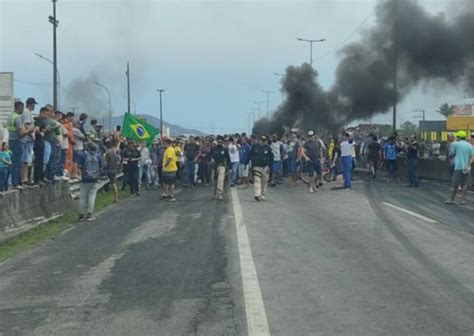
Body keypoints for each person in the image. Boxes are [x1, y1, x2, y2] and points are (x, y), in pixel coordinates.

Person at [444, 131, 474, 205]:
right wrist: (468, 164)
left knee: (454, 184)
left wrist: (448, 157)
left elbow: (452, 154)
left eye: (457, 136)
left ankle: (451, 199)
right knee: (465, 184)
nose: (456, 137)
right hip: (467, 167)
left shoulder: (455, 144)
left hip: (458, 167)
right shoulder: (470, 145)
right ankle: (463, 200)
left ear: (460, 137)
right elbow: (472, 157)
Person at [77, 142, 102, 221]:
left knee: (83, 197)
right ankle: (89, 214)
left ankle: (81, 215)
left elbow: (79, 166)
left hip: (85, 179)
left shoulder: (83, 155)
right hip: (95, 179)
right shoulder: (98, 156)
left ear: (87, 148)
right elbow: (101, 166)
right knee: (92, 197)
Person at [7, 101, 29, 190]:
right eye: (22, 108)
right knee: (17, 164)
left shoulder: (10, 116)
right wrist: (29, 130)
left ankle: (16, 182)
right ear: (19, 108)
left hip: (11, 140)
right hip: (17, 142)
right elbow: (21, 133)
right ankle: (15, 183)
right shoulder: (18, 118)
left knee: (14, 163)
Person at [248, 135, 273, 201]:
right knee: (257, 181)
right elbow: (250, 155)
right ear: (259, 140)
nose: (263, 142)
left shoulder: (268, 148)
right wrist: (247, 163)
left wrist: (270, 167)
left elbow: (271, 158)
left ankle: (262, 194)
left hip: (265, 167)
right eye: (262, 140)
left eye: (264, 141)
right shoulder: (254, 147)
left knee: (264, 182)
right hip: (257, 167)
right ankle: (257, 194)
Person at [21, 97, 37, 185]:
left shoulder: (27, 112)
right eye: (34, 104)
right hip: (27, 139)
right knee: (25, 160)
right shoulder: (26, 112)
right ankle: (24, 179)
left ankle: (25, 178)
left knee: (27, 160)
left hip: (28, 140)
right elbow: (27, 125)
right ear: (31, 104)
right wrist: (32, 135)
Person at [210, 136, 231, 200]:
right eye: (218, 141)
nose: (220, 143)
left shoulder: (225, 149)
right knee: (214, 181)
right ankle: (214, 193)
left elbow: (228, 159)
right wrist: (211, 159)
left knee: (220, 180)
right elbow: (209, 156)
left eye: (221, 142)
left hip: (221, 166)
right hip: (214, 167)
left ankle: (220, 194)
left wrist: (230, 167)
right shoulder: (213, 149)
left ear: (222, 142)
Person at [33, 107, 50, 185]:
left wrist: (44, 130)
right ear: (42, 113)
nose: (47, 116)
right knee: (39, 162)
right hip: (38, 143)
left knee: (41, 161)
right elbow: (36, 129)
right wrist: (41, 133)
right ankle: (37, 179)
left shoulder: (41, 121)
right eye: (46, 114)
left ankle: (41, 178)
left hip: (40, 143)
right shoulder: (39, 120)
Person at [162, 137, 178, 201]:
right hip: (167, 169)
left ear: (166, 143)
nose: (163, 144)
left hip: (170, 169)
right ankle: (168, 195)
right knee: (167, 183)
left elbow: (169, 158)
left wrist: (165, 165)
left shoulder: (170, 150)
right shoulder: (168, 149)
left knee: (170, 183)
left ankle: (172, 196)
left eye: (164, 143)